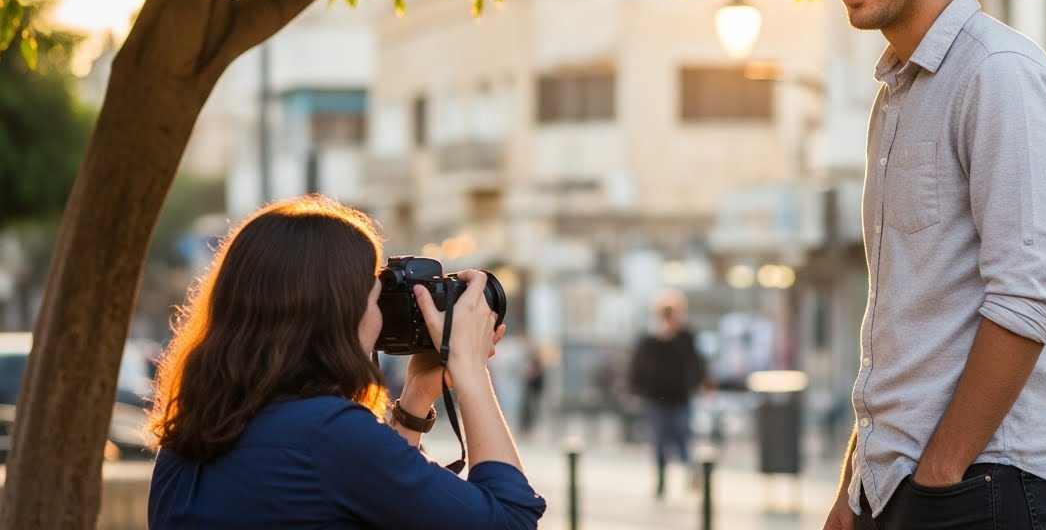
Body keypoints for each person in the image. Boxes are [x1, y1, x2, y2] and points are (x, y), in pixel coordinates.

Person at [815, 0, 1046, 530]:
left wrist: (941, 472)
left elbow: (1029, 293)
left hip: (980, 486)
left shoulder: (997, 74)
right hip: (899, 486)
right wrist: (854, 488)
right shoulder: (897, 92)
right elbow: (905, 324)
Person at [147, 195, 546, 529]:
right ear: (338, 312)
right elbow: (512, 518)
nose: (382, 317)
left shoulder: (189, 435)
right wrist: (471, 368)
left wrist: (417, 398)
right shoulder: (327, 434)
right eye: (376, 298)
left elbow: (378, 501)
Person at [628, 289, 707, 499]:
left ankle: (691, 474)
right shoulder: (650, 339)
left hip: (680, 396)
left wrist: (701, 384)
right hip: (656, 398)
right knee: (659, 440)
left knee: (683, 436)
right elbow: (639, 366)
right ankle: (661, 479)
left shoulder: (685, 337)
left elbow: (696, 363)